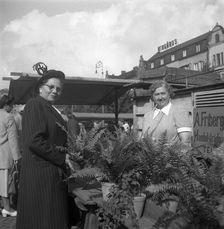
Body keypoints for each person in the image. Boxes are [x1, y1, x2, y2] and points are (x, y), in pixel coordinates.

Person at [16, 70, 70, 229]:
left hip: (49, 171)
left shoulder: (50, 108)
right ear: (40, 87)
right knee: (42, 218)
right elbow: (34, 140)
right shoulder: (35, 104)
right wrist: (62, 157)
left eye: (59, 89)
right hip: (40, 172)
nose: (55, 91)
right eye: (51, 87)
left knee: (48, 217)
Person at [142, 80, 192, 145]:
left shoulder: (179, 111)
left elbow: (186, 141)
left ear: (169, 94)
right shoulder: (147, 115)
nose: (160, 97)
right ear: (152, 97)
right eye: (156, 94)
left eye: (163, 93)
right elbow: (143, 140)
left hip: (172, 154)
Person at [0, 94, 21, 217]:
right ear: (6, 105)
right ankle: (7, 208)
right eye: (12, 104)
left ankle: (5, 207)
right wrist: (17, 157)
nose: (13, 107)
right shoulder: (9, 117)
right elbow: (13, 140)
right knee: (5, 183)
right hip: (5, 155)